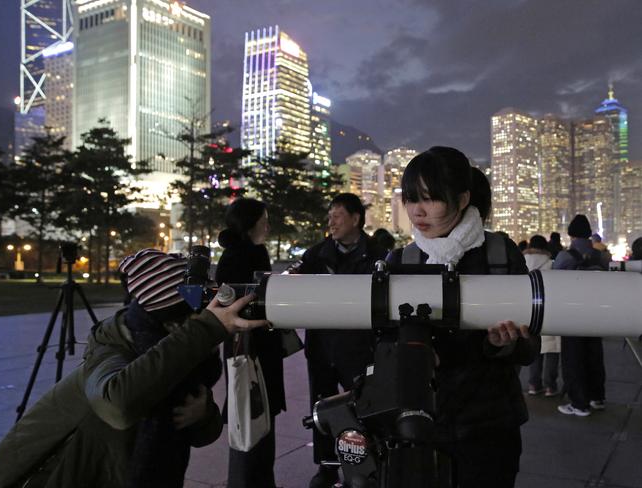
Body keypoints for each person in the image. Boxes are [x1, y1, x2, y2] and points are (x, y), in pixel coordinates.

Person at [0, 249, 269, 488]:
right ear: (171, 319)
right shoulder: (113, 347)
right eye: (196, 312)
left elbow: (203, 436)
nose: (204, 315)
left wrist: (203, 414)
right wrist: (207, 328)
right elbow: (118, 407)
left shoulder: (181, 353)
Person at [386, 146, 540, 488]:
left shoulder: (499, 254)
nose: (417, 211)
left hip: (489, 428)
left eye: (430, 199)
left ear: (462, 199)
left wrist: (500, 346)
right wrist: (411, 355)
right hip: (420, 424)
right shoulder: (402, 260)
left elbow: (530, 349)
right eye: (411, 199)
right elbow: (380, 344)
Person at [297, 192, 386, 488]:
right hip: (322, 347)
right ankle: (327, 466)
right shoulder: (316, 255)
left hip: (359, 348)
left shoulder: (378, 256)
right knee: (320, 409)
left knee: (363, 409)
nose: (331, 222)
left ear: (355, 218)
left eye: (337, 215)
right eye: (330, 216)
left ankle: (366, 464)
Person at [214, 198, 285, 488]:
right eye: (264, 219)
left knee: (254, 420)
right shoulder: (245, 256)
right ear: (250, 223)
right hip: (249, 351)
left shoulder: (240, 254)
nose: (268, 225)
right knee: (252, 419)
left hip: (249, 350)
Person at [554, 214, 607, 417]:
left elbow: (554, 282)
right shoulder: (601, 256)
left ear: (571, 233)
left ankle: (579, 403)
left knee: (573, 359)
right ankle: (597, 397)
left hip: (572, 314)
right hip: (596, 313)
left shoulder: (565, 257)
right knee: (595, 355)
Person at [523, 235, 560, 397]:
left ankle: (533, 384)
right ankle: (550, 386)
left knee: (534, 347)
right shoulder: (551, 264)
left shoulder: (521, 261)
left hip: (527, 310)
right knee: (551, 348)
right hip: (549, 310)